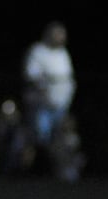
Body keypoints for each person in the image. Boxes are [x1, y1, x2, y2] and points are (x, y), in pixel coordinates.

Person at [22, 20, 76, 179]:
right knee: (41, 138)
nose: (61, 37)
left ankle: (56, 174)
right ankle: (33, 172)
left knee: (59, 140)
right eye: (58, 34)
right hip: (42, 105)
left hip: (61, 105)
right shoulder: (38, 51)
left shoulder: (63, 53)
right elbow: (32, 75)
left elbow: (68, 77)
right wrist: (45, 87)